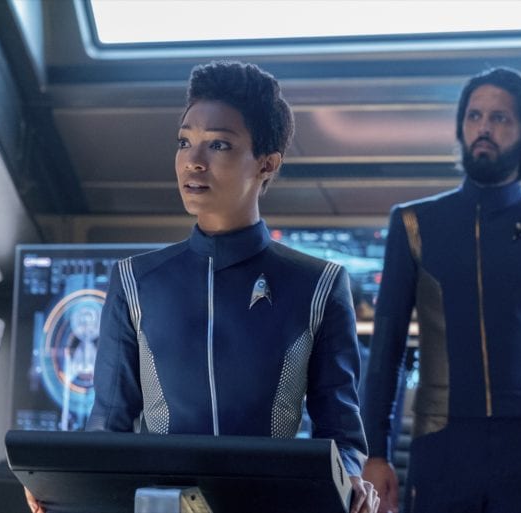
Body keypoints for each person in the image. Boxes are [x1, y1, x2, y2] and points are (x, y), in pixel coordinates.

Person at [25, 60, 378, 513]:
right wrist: (63, 485)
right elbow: (108, 426)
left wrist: (352, 482)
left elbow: (342, 435)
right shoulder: (134, 282)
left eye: (219, 144)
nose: (194, 160)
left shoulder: (319, 286)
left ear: (267, 163)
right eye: (184, 141)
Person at [361, 67, 521, 513]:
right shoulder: (414, 223)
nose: (483, 128)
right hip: (440, 445)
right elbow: (388, 349)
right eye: (474, 116)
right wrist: (374, 453)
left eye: (500, 118)